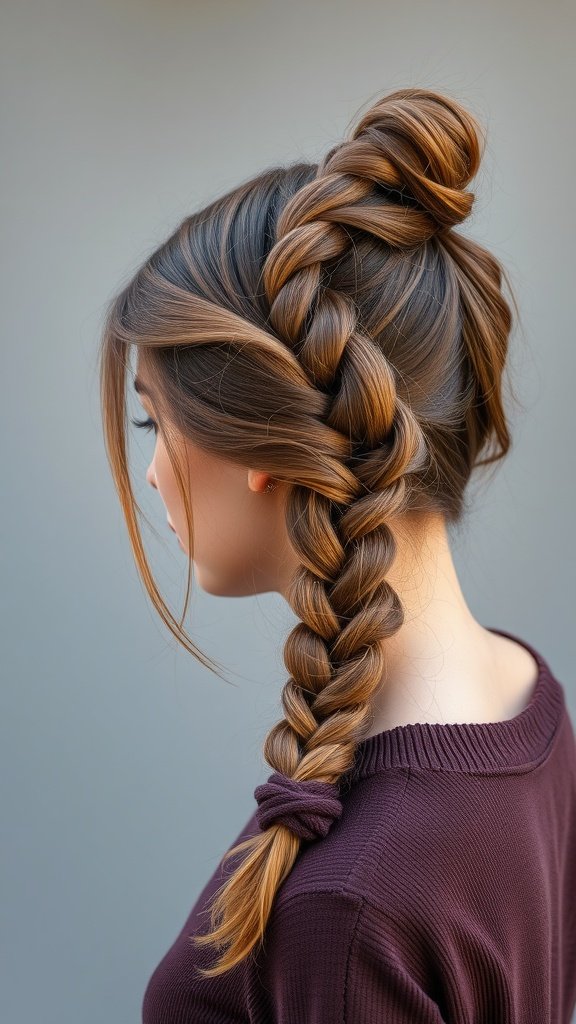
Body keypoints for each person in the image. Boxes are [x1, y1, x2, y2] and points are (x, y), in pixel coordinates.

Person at [98, 86, 576, 1022]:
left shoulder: (347, 919)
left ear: (261, 451)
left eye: (157, 421)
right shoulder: (528, 704)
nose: (152, 473)